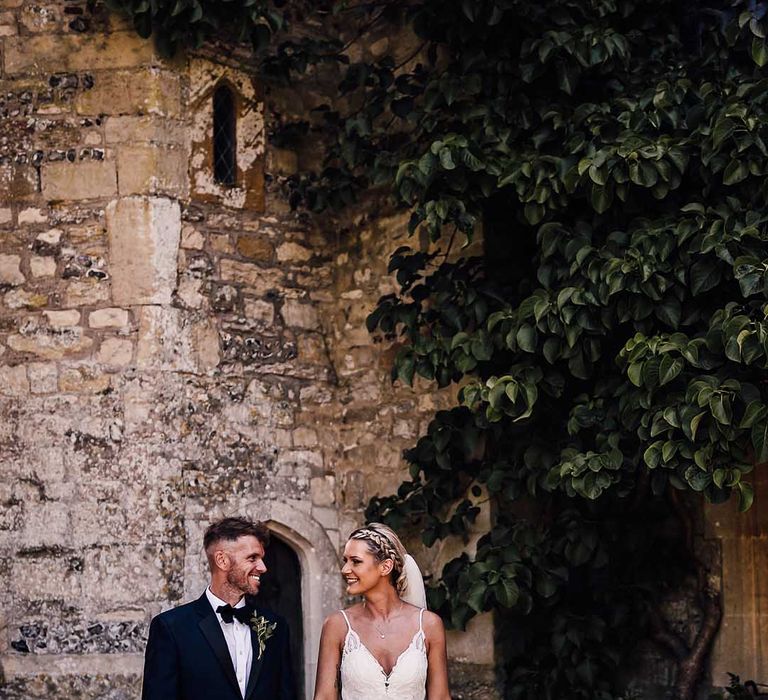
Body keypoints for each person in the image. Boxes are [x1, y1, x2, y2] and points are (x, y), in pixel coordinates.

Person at [141, 516, 296, 700]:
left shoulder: (276, 626)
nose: (262, 567)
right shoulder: (171, 628)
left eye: (261, 558)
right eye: (252, 558)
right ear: (222, 560)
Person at [314, 523, 451, 700]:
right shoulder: (337, 625)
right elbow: (324, 697)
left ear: (385, 567)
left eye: (355, 561)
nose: (345, 570)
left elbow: (440, 697)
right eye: (345, 561)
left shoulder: (429, 625)